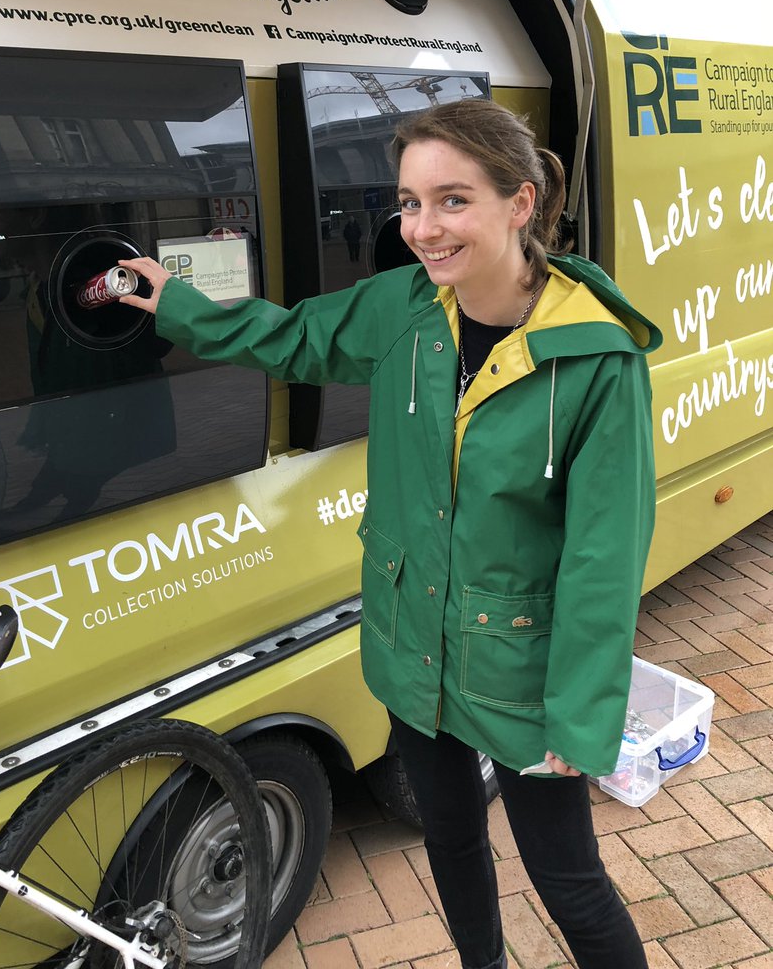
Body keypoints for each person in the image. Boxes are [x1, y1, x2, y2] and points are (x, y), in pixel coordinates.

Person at [119, 98, 660, 969]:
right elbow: (294, 338)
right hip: (413, 639)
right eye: (409, 202)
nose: (423, 228)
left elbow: (606, 550)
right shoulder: (406, 306)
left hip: (523, 666)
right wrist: (179, 304)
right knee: (450, 842)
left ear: (521, 203)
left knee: (569, 883)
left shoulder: (595, 357)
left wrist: (581, 711)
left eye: (452, 200)